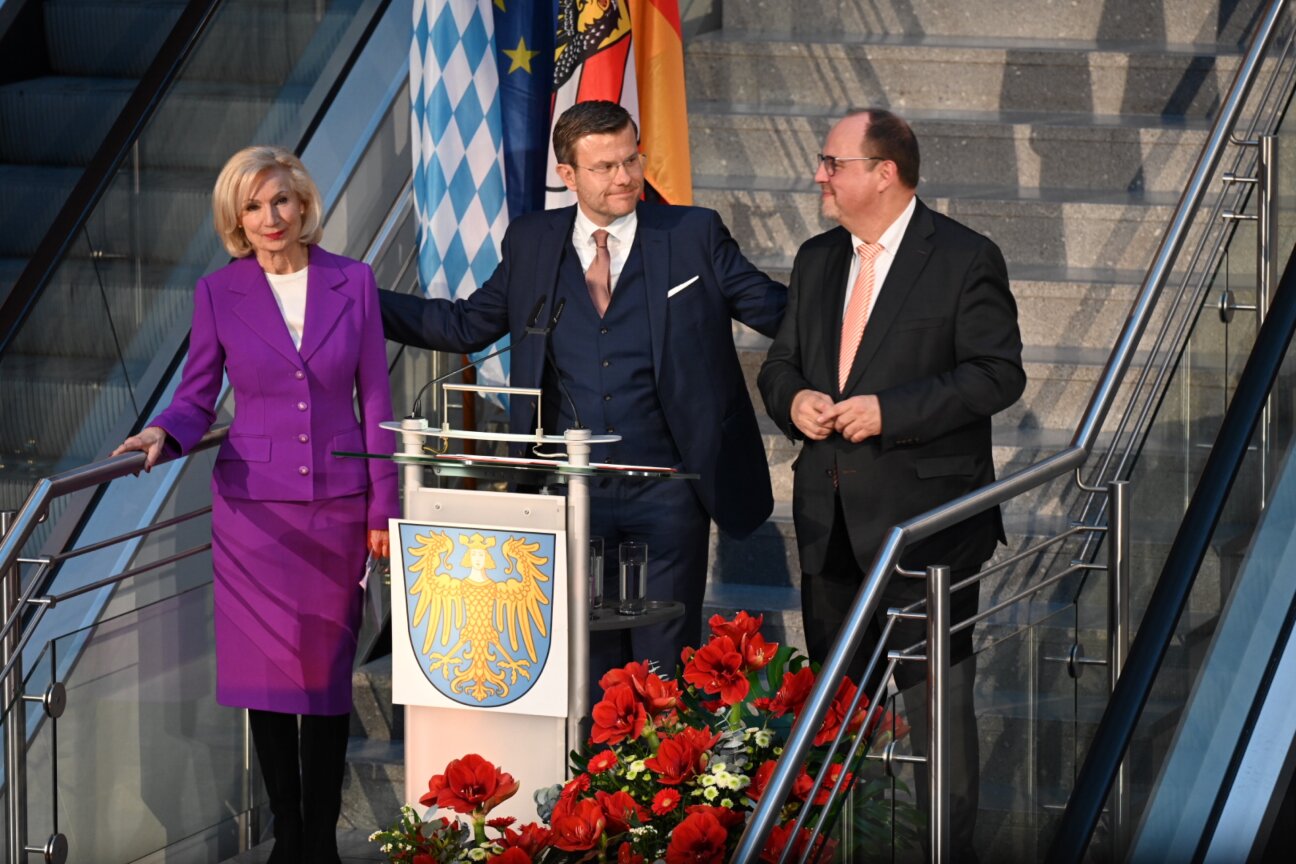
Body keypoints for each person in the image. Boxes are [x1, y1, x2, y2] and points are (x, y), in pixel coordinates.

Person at [380, 100, 786, 687]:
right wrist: (354, 293)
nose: (625, 177)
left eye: (631, 160)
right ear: (567, 174)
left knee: (664, 664)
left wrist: (854, 305)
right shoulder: (532, 240)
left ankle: (667, 751)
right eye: (605, 167)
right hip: (570, 489)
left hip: (669, 487)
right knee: (586, 664)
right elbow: (464, 326)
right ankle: (594, 752)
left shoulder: (692, 233)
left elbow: (773, 310)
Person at [113, 145, 397, 864]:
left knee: (325, 679)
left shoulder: (354, 282)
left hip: (336, 510)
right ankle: (287, 832)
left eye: (280, 200)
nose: (270, 217)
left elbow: (377, 402)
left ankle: (320, 838)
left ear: (303, 204)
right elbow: (196, 395)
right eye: (253, 206)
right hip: (253, 518)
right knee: (265, 679)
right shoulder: (218, 293)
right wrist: (160, 433)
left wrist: (381, 510)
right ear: (235, 219)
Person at [758, 108, 1025, 854]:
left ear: (885, 173)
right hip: (830, 527)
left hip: (928, 535)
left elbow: (997, 374)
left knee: (938, 721)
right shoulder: (817, 258)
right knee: (838, 718)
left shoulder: (964, 257)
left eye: (833, 163)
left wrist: (890, 412)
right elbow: (780, 364)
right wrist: (793, 400)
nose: (819, 175)